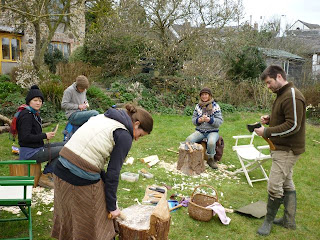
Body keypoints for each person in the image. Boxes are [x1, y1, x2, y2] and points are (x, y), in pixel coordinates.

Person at [51, 104, 153, 240]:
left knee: (81, 211)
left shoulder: (104, 116)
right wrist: (112, 207)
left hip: (59, 168)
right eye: (140, 135)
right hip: (78, 173)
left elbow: (99, 164)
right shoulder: (124, 135)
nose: (137, 139)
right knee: (100, 214)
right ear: (136, 124)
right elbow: (113, 173)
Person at [255, 65, 306, 236]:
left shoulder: (292, 95)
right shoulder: (282, 94)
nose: (268, 86)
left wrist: (267, 131)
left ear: (278, 76)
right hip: (282, 148)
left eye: (269, 82)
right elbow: (286, 119)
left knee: (274, 186)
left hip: (287, 149)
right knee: (287, 182)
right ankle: (288, 221)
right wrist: (271, 120)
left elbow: (293, 125)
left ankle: (268, 221)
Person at [16, 85, 65, 189]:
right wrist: (44, 135)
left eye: (40, 101)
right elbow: (25, 137)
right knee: (64, 150)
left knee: (67, 145)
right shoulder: (26, 115)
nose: (38, 103)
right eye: (35, 100)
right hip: (29, 153)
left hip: (37, 147)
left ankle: (50, 172)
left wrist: (45, 136)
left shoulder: (33, 114)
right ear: (29, 101)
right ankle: (46, 175)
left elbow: (33, 134)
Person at [185, 87, 223, 169]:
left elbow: (219, 121)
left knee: (211, 142)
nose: (204, 96)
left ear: (209, 96)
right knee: (188, 140)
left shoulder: (215, 106)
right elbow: (193, 120)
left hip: (213, 131)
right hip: (200, 131)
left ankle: (210, 159)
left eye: (206, 94)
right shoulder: (198, 106)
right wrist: (199, 120)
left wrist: (210, 120)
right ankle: (193, 157)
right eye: (202, 95)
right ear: (200, 96)